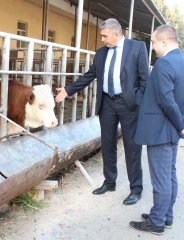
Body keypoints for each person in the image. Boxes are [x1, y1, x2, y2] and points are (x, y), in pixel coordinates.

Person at [55, 18, 149, 205]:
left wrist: (136, 100)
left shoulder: (137, 48)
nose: (103, 40)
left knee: (132, 147)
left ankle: (136, 189)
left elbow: (145, 78)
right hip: (107, 103)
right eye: (102, 36)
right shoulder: (101, 53)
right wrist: (68, 90)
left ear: (116, 33)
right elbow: (90, 75)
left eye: (105, 36)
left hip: (128, 105)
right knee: (107, 144)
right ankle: (110, 182)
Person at [130, 25, 184, 235]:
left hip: (160, 131)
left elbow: (167, 101)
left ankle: (156, 222)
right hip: (171, 131)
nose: (152, 46)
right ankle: (165, 215)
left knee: (161, 179)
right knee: (169, 175)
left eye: (153, 42)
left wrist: (182, 123)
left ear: (164, 42)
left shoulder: (164, 64)